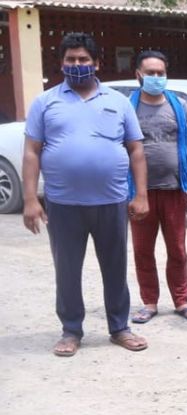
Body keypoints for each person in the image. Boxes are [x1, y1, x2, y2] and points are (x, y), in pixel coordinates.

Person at [21, 32, 149, 356]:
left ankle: (119, 328)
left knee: (115, 268)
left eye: (83, 59)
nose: (76, 65)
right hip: (63, 203)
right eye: (70, 59)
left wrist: (141, 195)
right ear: (62, 63)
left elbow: (136, 150)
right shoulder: (45, 102)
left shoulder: (118, 102)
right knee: (67, 270)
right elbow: (32, 152)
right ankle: (70, 330)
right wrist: (30, 199)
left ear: (96, 63)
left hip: (112, 200)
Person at [127, 50, 187, 324]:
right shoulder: (128, 107)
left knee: (178, 250)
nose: (156, 77)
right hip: (140, 194)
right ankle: (149, 302)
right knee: (142, 250)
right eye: (150, 73)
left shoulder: (179, 105)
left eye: (161, 73)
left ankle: (182, 301)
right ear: (139, 75)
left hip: (174, 189)